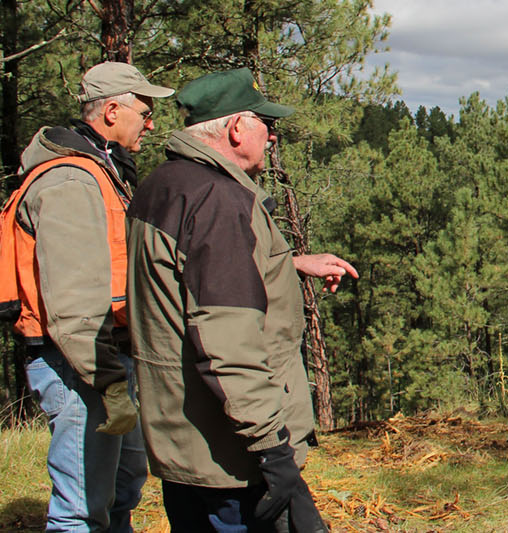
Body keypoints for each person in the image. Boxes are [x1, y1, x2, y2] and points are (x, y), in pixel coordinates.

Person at [125, 67, 356, 532]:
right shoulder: (219, 200)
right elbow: (229, 344)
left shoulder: (165, 184)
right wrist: (274, 453)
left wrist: (288, 263)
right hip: (230, 454)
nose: (272, 138)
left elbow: (190, 281)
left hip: (185, 436)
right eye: (266, 125)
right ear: (235, 128)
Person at [7, 61, 174, 532]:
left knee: (122, 489)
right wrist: (107, 383)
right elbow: (75, 302)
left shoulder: (101, 170)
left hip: (103, 361)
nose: (151, 122)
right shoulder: (70, 181)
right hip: (78, 365)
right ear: (112, 110)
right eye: (144, 111)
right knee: (81, 511)